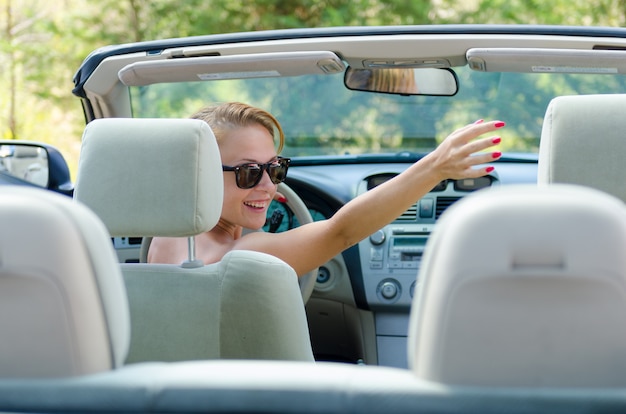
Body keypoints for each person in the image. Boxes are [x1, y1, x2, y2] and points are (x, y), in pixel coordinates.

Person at [148, 102, 504, 276]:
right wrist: (435, 167)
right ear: (200, 174)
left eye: (275, 168)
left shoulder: (159, 240)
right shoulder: (241, 257)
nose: (268, 185)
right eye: (248, 173)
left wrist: (250, 187)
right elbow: (342, 231)